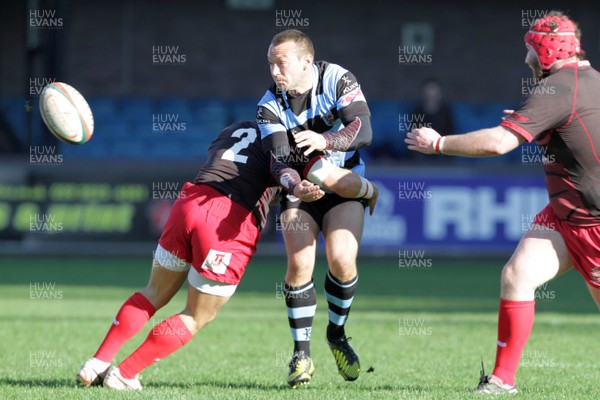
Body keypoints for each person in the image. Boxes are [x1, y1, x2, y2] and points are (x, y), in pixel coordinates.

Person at [75, 120, 378, 390]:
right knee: (197, 315)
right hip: (227, 221)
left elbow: (244, 171)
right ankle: (126, 373)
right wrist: (368, 190)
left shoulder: (233, 129)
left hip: (190, 203)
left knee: (152, 292)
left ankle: (98, 362)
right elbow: (339, 182)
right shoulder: (290, 139)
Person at [405, 11, 599, 395]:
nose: (526, 60)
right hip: (565, 215)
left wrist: (439, 143)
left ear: (546, 52)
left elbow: (498, 143)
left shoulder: (557, 87)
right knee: (517, 276)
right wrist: (542, 127)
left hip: (593, 221)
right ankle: (501, 380)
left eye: (530, 51)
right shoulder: (585, 82)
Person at [256, 29, 373, 387]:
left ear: (307, 61)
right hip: (299, 186)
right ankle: (301, 355)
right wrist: (295, 185)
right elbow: (278, 161)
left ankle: (336, 334)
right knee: (300, 262)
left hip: (343, 181)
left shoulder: (338, 78)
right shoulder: (268, 104)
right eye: (271, 64)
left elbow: (364, 130)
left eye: (282, 63)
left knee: (341, 260)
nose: (275, 71)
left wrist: (326, 139)